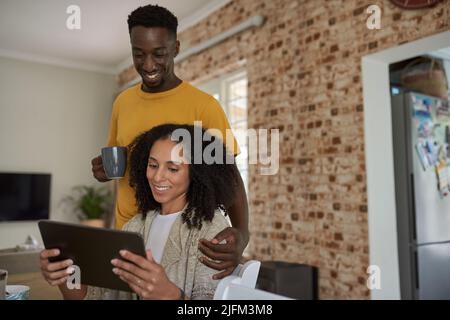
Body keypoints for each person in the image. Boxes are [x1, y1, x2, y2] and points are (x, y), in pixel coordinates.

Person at [91, 4, 248, 279]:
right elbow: (119, 160)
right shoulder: (123, 102)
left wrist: (243, 233)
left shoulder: (204, 106)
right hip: (128, 233)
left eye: (159, 54)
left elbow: (229, 175)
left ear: (175, 48)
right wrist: (104, 171)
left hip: (180, 238)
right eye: (138, 54)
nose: (148, 65)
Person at [41, 124, 239, 299]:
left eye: (172, 169)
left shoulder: (212, 228)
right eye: (153, 165)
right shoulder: (135, 225)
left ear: (196, 174)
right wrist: (66, 277)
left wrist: (170, 295)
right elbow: (95, 297)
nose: (157, 177)